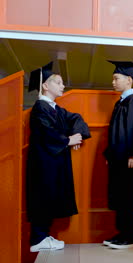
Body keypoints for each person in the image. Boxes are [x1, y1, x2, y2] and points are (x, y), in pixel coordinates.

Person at [26, 61, 91, 252]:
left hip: (53, 164)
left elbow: (76, 118)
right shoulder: (40, 108)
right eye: (59, 82)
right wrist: (67, 140)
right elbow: (46, 133)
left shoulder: (56, 109)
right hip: (42, 165)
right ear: (45, 85)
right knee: (42, 199)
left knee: (50, 199)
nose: (63, 86)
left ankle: (44, 236)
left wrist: (77, 135)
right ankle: (37, 239)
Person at [103, 60, 133, 249]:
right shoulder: (120, 102)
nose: (113, 82)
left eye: (116, 78)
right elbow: (114, 132)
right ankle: (122, 233)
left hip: (129, 158)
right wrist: (109, 155)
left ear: (129, 80)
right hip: (118, 159)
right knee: (119, 196)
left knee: (128, 196)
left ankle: (131, 236)